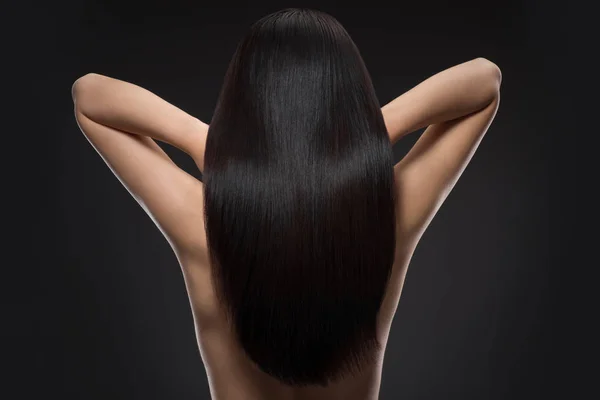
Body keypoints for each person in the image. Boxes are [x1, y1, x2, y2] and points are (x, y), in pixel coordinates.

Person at [71, 8, 501, 400]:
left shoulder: (201, 221)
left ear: (245, 105)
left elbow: (89, 96)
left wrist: (209, 143)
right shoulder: (386, 213)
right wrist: (359, 140)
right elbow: (485, 81)